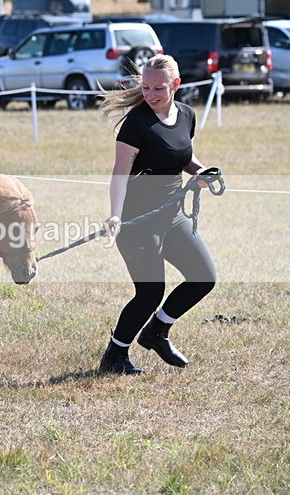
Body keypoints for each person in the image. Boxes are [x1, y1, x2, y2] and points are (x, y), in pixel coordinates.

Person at [98, 54, 217, 375]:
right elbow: (120, 172)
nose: (150, 94)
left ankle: (156, 332)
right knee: (150, 291)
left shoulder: (187, 116)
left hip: (173, 216)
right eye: (146, 87)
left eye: (158, 88)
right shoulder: (136, 123)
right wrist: (114, 215)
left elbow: (183, 157)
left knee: (204, 278)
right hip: (138, 221)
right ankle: (115, 355)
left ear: (175, 85)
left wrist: (202, 172)